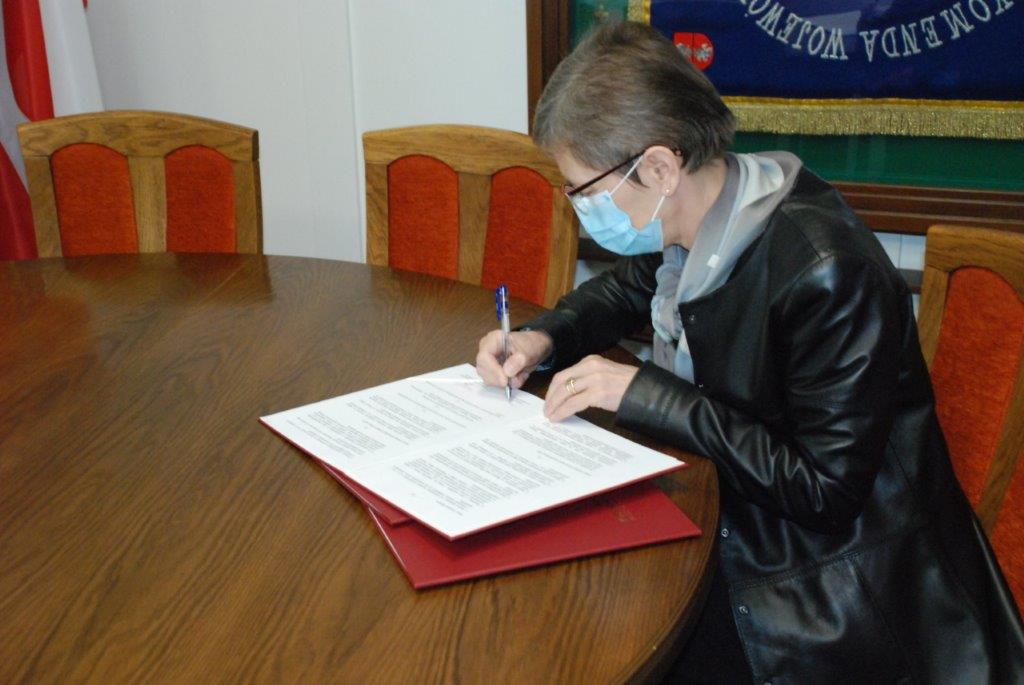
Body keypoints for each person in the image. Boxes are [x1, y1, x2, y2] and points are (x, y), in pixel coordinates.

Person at [475, 20, 1024, 684]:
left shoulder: (827, 272)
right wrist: (543, 337)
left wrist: (643, 392)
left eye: (585, 192)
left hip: (825, 584)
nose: (578, 208)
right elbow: (628, 288)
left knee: (601, 635)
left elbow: (824, 492)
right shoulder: (703, 208)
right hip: (735, 508)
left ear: (660, 167)